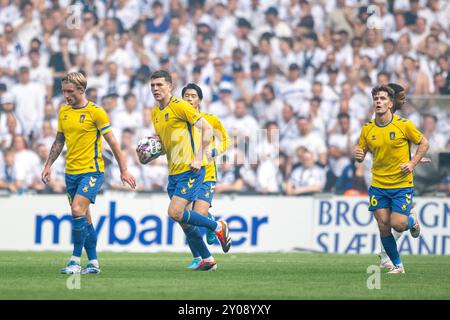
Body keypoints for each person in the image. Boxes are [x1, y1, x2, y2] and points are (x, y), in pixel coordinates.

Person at [41, 72, 136, 275]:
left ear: (81, 90)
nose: (66, 95)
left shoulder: (96, 112)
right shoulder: (64, 112)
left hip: (92, 171)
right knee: (85, 219)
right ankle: (93, 263)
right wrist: (48, 164)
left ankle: (75, 261)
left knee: (76, 210)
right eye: (64, 91)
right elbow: (59, 141)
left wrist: (124, 169)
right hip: (71, 173)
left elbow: (113, 143)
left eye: (70, 91)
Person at [137, 70, 231, 271]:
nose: (155, 89)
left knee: (175, 212)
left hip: (192, 170)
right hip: (174, 172)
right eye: (152, 85)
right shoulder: (155, 113)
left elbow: (207, 130)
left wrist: (200, 157)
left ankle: (217, 226)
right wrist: (150, 152)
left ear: (170, 86)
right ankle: (206, 259)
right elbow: (166, 143)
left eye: (160, 85)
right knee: (185, 221)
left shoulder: (181, 107)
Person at [355, 85, 429, 274]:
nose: (378, 102)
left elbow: (424, 143)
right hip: (378, 185)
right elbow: (362, 152)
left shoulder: (404, 125)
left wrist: (412, 163)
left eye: (382, 99)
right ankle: (398, 265)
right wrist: (359, 155)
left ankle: (412, 221)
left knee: (398, 224)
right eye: (376, 99)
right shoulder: (367, 129)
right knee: (383, 226)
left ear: (390, 103)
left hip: (401, 184)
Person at [376, 83, 431, 269]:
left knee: (394, 222)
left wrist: (413, 160)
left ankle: (385, 257)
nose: (404, 100)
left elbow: (407, 143)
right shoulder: (377, 119)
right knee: (384, 221)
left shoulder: (402, 122)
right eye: (401, 97)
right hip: (378, 175)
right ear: (392, 100)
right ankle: (386, 256)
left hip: (399, 176)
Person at [181, 83, 232, 269]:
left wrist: (215, 150)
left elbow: (226, 140)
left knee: (197, 214)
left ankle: (211, 221)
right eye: (186, 95)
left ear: (200, 100)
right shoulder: (180, 121)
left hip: (206, 173)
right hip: (185, 174)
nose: (189, 99)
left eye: (193, 95)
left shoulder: (210, 119)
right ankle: (197, 257)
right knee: (184, 218)